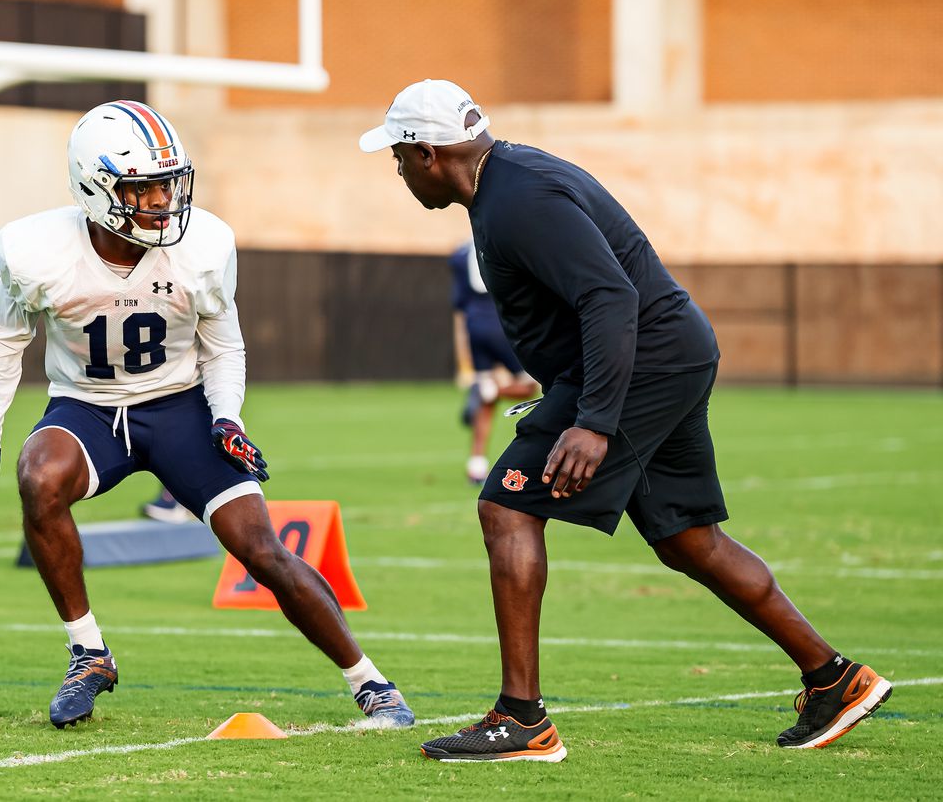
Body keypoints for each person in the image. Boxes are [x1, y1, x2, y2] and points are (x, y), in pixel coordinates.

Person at [360, 79, 891, 761]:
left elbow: (609, 294)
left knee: (507, 508)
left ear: (428, 153)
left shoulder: (517, 198)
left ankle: (521, 718)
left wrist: (595, 420)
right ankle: (835, 679)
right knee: (688, 538)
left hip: (641, 365)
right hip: (660, 356)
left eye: (398, 157)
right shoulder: (510, 181)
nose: (398, 171)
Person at [0, 100, 414, 731]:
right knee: (38, 476)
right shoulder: (36, 252)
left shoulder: (201, 245)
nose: (160, 202)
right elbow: (0, 347)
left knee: (259, 550)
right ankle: (88, 651)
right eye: (142, 189)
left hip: (180, 406)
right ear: (94, 188)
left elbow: (225, 345)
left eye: (166, 186)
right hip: (87, 409)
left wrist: (227, 419)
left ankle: (372, 683)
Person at [449, 238, 538, 484]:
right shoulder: (505, 243)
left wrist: (462, 361)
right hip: (502, 324)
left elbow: (459, 308)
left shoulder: (459, 254)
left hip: (474, 326)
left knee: (486, 402)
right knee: (532, 387)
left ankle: (476, 466)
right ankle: (490, 389)